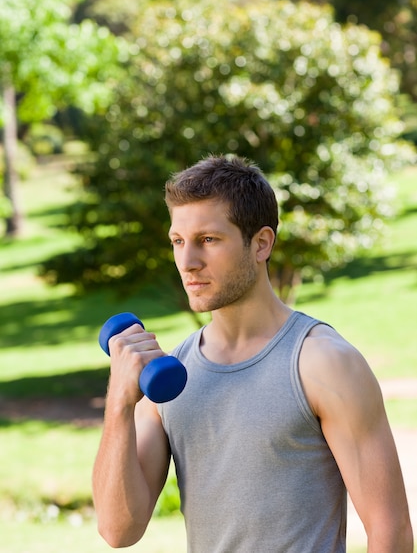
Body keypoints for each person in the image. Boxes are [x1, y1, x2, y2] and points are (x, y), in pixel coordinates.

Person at [92, 155, 413, 552]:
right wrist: (119, 404)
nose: (188, 262)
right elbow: (117, 529)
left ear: (261, 243)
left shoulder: (324, 364)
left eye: (208, 240)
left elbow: (391, 531)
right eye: (178, 241)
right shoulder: (171, 376)